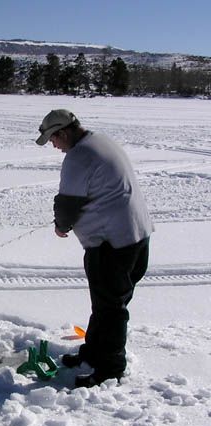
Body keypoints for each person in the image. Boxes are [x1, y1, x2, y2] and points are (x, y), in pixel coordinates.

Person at [36, 109, 153, 388]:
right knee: (106, 304)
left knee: (111, 307)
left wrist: (61, 225)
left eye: (52, 139)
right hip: (136, 237)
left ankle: (110, 369)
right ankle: (94, 353)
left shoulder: (79, 157)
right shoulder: (100, 140)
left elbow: (68, 204)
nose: (53, 145)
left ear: (63, 133)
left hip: (112, 244)